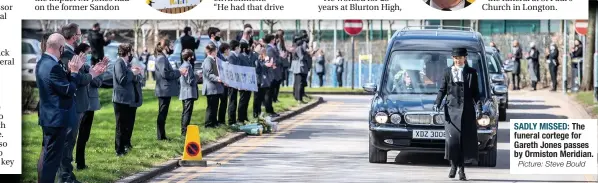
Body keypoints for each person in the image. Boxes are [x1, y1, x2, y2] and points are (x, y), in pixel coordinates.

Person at [58, 23, 107, 183]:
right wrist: (93, 73)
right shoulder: (67, 54)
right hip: (72, 104)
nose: (81, 37)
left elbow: (82, 72)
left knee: (70, 142)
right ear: (74, 37)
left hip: (76, 104)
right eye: (79, 34)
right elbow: (78, 79)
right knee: (67, 143)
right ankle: (65, 178)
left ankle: (68, 176)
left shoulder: (70, 53)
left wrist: (95, 70)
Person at [36, 33, 84, 183]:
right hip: (56, 120)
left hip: (48, 117)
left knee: (49, 158)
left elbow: (57, 86)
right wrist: (75, 73)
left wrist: (69, 72)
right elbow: (69, 90)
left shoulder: (42, 62)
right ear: (61, 48)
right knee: (52, 161)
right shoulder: (53, 67)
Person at [433, 48, 481, 181]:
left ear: (465, 58)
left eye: (460, 58)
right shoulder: (447, 72)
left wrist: (479, 106)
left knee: (463, 142)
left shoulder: (472, 73)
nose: (457, 60)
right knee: (453, 141)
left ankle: (461, 170)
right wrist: (437, 102)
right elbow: (442, 90)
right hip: (451, 111)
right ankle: (453, 165)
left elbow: (476, 92)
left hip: (467, 112)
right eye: (455, 58)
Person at [74, 43, 105, 170]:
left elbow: (96, 82)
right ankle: (79, 163)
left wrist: (97, 71)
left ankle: (80, 161)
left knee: (84, 136)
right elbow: (91, 82)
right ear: (81, 53)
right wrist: (94, 73)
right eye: (87, 53)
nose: (89, 55)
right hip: (84, 105)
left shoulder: (86, 67)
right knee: (79, 136)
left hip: (88, 105)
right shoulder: (81, 67)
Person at [112, 43, 144, 156]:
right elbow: (122, 79)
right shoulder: (119, 63)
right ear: (128, 52)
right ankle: (119, 149)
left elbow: (133, 78)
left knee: (128, 124)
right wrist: (132, 73)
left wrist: (137, 73)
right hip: (121, 100)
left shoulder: (127, 64)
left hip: (129, 100)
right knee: (121, 125)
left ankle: (126, 145)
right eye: (131, 51)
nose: (132, 54)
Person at [154, 39, 183, 140]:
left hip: (165, 90)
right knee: (162, 113)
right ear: (165, 47)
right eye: (171, 46)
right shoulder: (161, 58)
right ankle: (160, 136)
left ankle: (162, 135)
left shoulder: (163, 57)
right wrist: (179, 72)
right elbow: (165, 74)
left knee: (163, 113)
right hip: (163, 90)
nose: (172, 48)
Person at [202, 44, 225, 127]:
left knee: (215, 107)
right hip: (211, 88)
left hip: (215, 88)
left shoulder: (213, 60)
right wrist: (218, 78)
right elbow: (209, 74)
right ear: (212, 51)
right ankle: (208, 124)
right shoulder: (208, 60)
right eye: (215, 50)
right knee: (211, 107)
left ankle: (214, 122)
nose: (217, 52)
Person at [179, 49, 198, 136]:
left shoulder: (182, 65)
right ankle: (184, 132)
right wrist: (198, 76)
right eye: (192, 56)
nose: (193, 57)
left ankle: (183, 131)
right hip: (189, 92)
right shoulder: (188, 66)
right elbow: (191, 81)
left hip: (184, 92)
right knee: (187, 113)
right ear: (189, 57)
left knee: (184, 112)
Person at [254, 43, 276, 120]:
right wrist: (265, 64)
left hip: (264, 80)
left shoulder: (265, 57)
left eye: (263, 47)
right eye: (261, 47)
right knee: (257, 98)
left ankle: (259, 113)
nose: (263, 49)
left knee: (261, 97)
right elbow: (257, 68)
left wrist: (269, 64)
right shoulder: (256, 57)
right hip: (258, 80)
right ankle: (256, 113)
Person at [265, 34, 281, 116]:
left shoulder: (272, 48)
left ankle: (270, 110)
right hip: (272, 73)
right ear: (272, 39)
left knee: (271, 93)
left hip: (274, 73)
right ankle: (269, 110)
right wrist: (279, 59)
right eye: (274, 39)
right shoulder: (269, 49)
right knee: (269, 93)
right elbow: (272, 61)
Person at [291, 33, 310, 103]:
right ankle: (299, 98)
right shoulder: (298, 47)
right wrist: (307, 54)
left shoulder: (296, 46)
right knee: (299, 83)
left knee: (298, 83)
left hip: (298, 67)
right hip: (299, 67)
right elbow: (301, 57)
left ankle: (298, 98)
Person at [238, 41, 254, 123]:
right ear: (244, 49)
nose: (249, 49)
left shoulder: (248, 56)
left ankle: (245, 116)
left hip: (249, 80)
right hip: (243, 81)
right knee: (243, 100)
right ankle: (240, 117)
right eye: (248, 48)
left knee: (247, 99)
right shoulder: (240, 57)